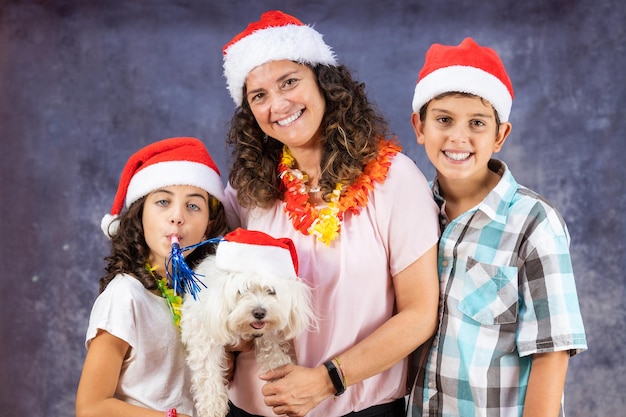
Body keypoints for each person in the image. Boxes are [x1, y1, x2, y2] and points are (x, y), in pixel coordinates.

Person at [221, 10, 440, 417]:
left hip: (359, 409)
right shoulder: (249, 188)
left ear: (324, 82)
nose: (278, 105)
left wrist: (327, 379)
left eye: (289, 82)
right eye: (259, 95)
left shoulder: (394, 180)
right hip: (252, 409)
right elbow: (211, 291)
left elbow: (419, 313)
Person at [407, 38, 587, 417]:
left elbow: (552, 353)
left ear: (500, 136)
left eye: (477, 123)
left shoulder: (534, 223)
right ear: (419, 126)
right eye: (443, 119)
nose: (458, 137)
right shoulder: (411, 212)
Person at [76, 137, 229, 417]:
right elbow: (91, 408)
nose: (177, 217)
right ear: (140, 217)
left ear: (208, 227)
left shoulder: (198, 295)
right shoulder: (126, 295)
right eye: (162, 201)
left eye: (193, 206)